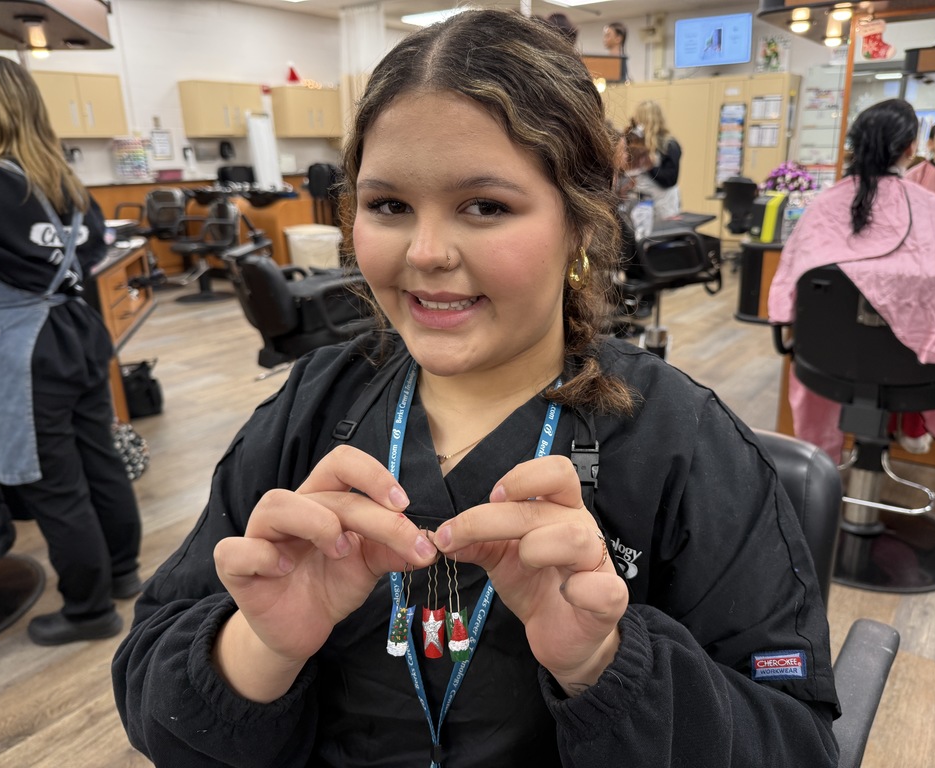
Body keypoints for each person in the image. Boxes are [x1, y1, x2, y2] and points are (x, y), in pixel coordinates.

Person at [113, 11, 839, 767]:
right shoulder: (313, 408)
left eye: (485, 206)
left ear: (580, 222)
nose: (425, 253)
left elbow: (795, 745)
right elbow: (152, 697)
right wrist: (259, 645)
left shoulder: (681, 445)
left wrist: (605, 663)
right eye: (389, 205)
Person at [0, 56, 143, 645]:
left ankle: (88, 607)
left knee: (54, 482)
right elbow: (92, 249)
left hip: (23, 351)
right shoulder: (65, 182)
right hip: (78, 335)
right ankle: (122, 570)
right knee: (98, 457)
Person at [769, 99, 935, 462]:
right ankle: (909, 429)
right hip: (919, 366)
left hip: (826, 358)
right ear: (910, 148)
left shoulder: (825, 205)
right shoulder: (932, 208)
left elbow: (786, 292)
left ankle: (824, 469)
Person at [625, 100, 683, 221]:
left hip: (664, 207)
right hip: (639, 203)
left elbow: (670, 179)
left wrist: (649, 167)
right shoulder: (634, 144)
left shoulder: (669, 145)